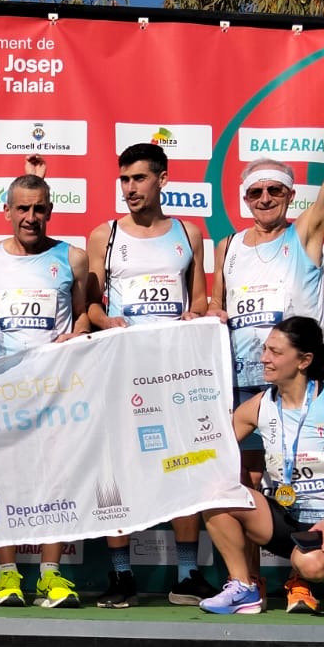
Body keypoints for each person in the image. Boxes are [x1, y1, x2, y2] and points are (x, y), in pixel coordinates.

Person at [210, 58, 324, 614]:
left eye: (276, 190)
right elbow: (214, 310)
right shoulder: (226, 248)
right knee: (243, 487)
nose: (266, 199)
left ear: (289, 196)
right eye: (257, 193)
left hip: (296, 388)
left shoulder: (305, 233)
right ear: (245, 198)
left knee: (296, 481)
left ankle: (303, 584)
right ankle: (248, 586)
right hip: (242, 387)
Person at [84, 141, 212, 609]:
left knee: (184, 467)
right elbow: (91, 305)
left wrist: (196, 315)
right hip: (120, 371)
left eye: (139, 178)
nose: (130, 188)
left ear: (162, 179)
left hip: (173, 373)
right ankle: (121, 577)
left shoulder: (189, 232)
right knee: (117, 472)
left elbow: (199, 298)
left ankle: (187, 574)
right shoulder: (104, 235)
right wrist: (105, 321)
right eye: (124, 180)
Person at [198, 316, 324, 618]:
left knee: (309, 563)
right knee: (214, 492)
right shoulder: (258, 405)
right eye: (265, 350)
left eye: (276, 353)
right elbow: (213, 452)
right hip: (292, 520)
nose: (264, 359)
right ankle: (244, 586)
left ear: (304, 360)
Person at [0, 173, 90, 608]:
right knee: (4, 480)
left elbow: (82, 316)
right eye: (22, 208)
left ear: (50, 211)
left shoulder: (73, 258)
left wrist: (76, 335)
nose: (31, 217)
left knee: (54, 481)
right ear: (7, 211)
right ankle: (7, 576)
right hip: (3, 389)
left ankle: (51, 576)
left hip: (55, 392)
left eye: (39, 208)